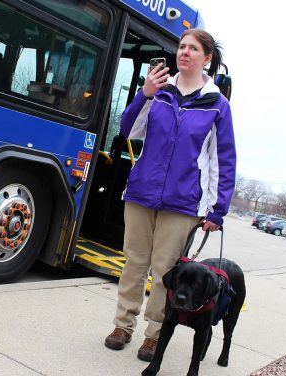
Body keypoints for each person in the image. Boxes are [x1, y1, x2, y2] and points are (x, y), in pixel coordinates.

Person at [104, 29, 236, 362]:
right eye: (181, 47)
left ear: (207, 58)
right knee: (134, 263)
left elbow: (224, 160)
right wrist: (144, 95)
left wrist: (217, 210)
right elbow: (128, 131)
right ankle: (123, 326)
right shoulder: (159, 92)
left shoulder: (216, 105)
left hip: (183, 203)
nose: (184, 52)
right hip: (141, 193)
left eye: (193, 48)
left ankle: (153, 334)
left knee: (166, 270)